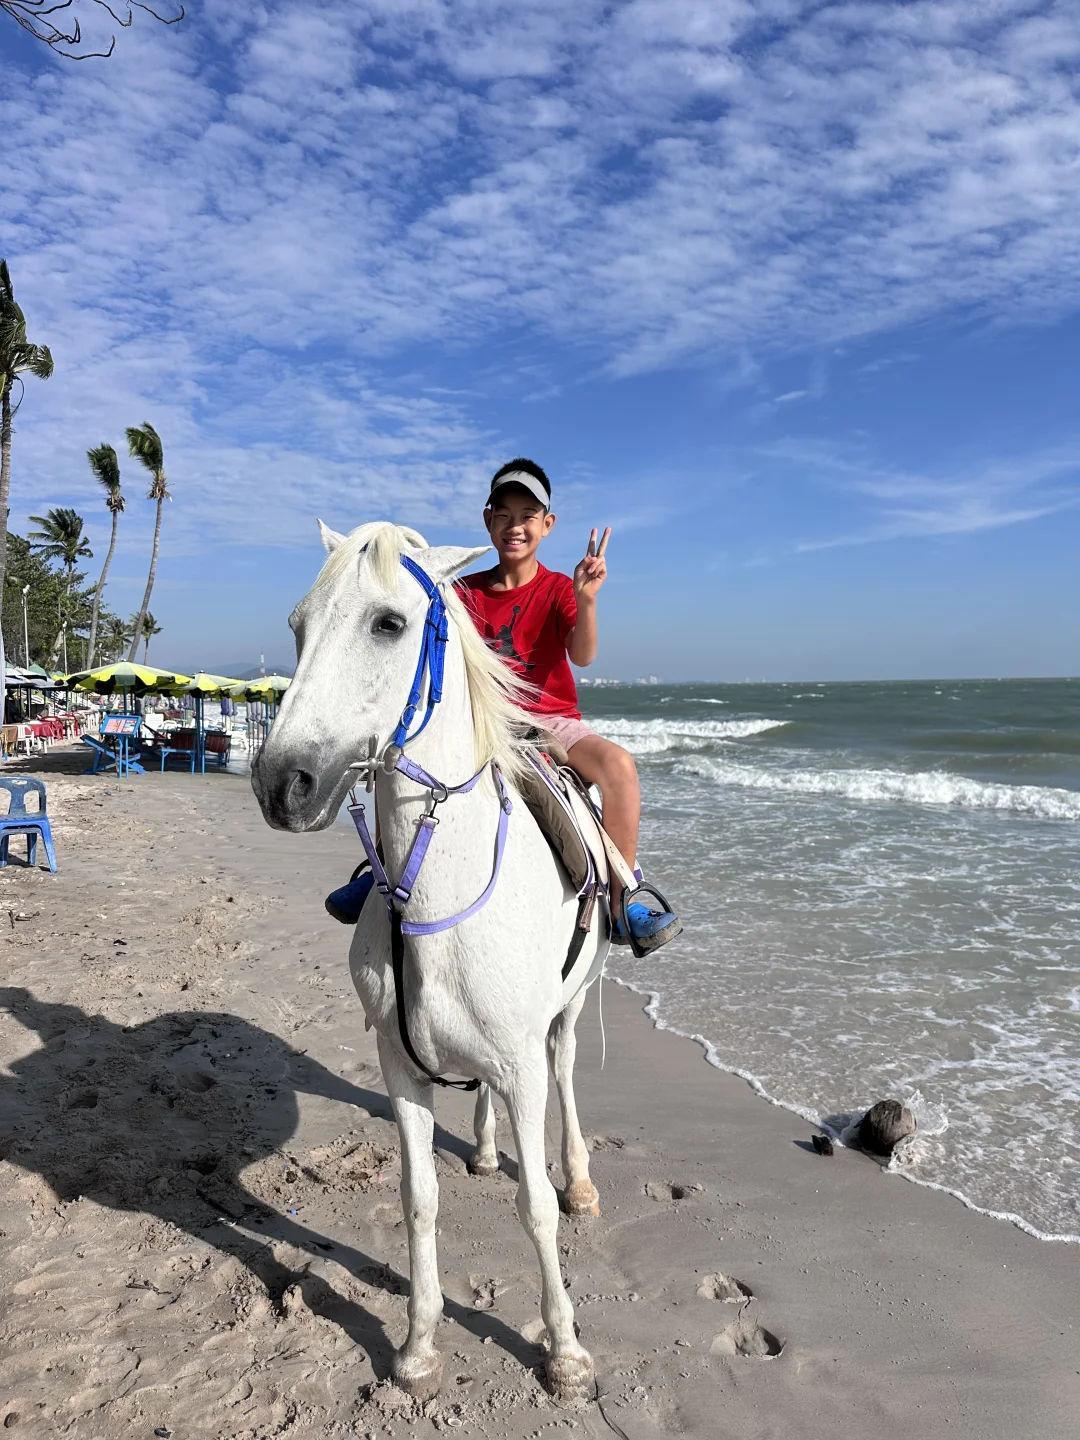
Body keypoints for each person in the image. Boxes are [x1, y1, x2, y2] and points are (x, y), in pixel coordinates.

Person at [326, 459, 679, 952]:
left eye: (528, 515)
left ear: (546, 525)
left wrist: (587, 598)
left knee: (619, 766)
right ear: (488, 520)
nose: (516, 526)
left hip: (550, 722)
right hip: (479, 721)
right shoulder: (463, 593)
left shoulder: (558, 588)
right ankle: (379, 871)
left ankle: (624, 900)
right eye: (505, 515)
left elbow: (583, 655)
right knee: (401, 759)